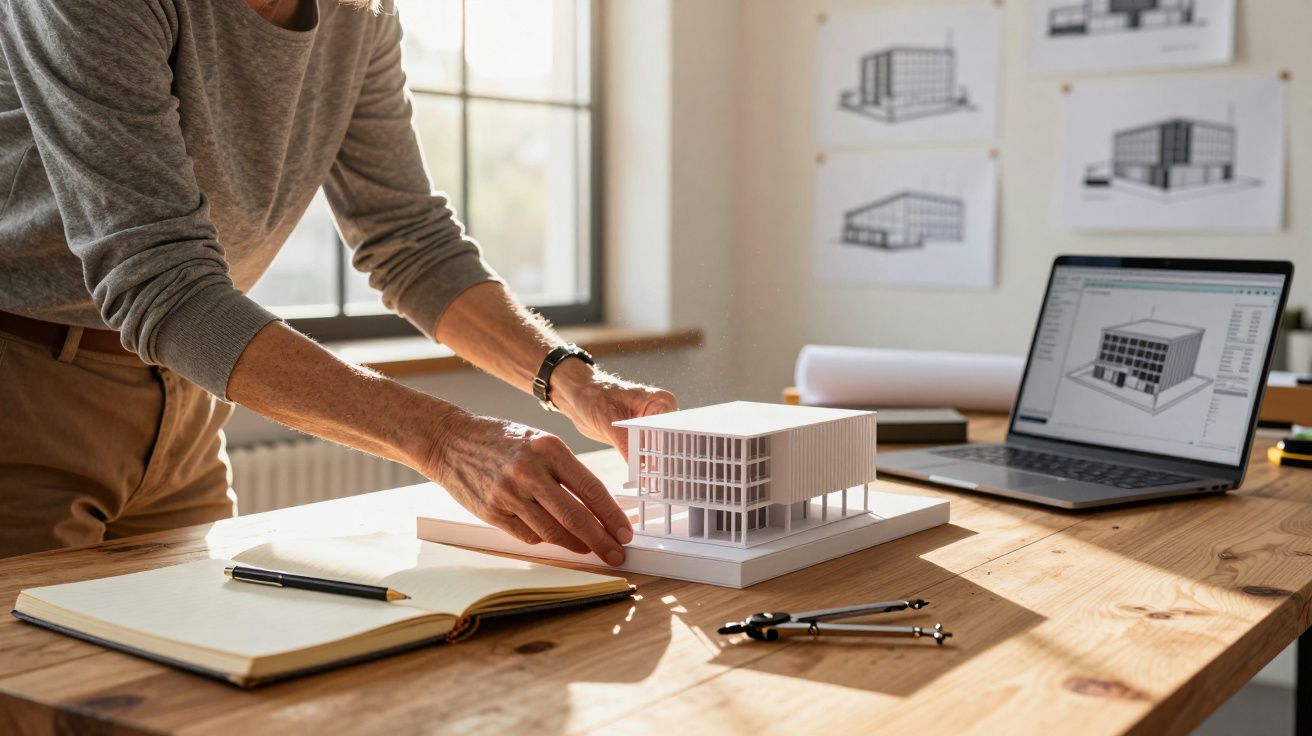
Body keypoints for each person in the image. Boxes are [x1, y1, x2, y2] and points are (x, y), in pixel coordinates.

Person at [0, 0, 676, 562]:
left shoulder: (361, 12)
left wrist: (575, 382)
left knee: (196, 674)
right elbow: (162, 283)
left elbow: (412, 242)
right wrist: (444, 441)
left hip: (187, 401)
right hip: (26, 390)